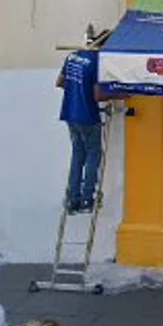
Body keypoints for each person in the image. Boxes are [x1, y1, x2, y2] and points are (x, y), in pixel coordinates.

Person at [56, 30, 110, 215]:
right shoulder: (96, 62)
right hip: (87, 116)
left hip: (70, 113)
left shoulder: (72, 57)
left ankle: (73, 199)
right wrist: (121, 94)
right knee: (94, 154)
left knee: (78, 154)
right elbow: (98, 96)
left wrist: (77, 90)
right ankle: (87, 198)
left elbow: (60, 82)